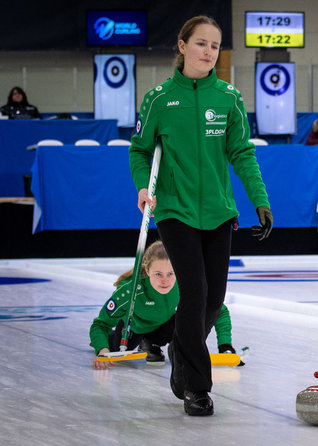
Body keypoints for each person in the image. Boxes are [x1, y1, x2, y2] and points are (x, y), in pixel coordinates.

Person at [128, 15, 272, 417]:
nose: (209, 52)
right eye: (201, 44)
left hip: (219, 213)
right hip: (174, 210)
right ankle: (197, 386)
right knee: (194, 292)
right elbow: (139, 150)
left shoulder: (228, 97)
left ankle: (180, 347)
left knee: (215, 297)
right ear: (182, 46)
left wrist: (259, 199)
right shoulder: (158, 98)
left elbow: (242, 152)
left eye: (214, 46)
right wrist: (144, 186)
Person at [89, 241, 242, 371]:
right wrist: (102, 349)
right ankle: (116, 341)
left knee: (188, 318)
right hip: (134, 328)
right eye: (158, 274)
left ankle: (151, 343)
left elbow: (219, 310)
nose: (165, 281)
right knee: (115, 347)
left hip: (166, 326)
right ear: (147, 271)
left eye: (170, 273)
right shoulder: (129, 291)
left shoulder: (186, 285)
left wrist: (225, 346)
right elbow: (100, 324)